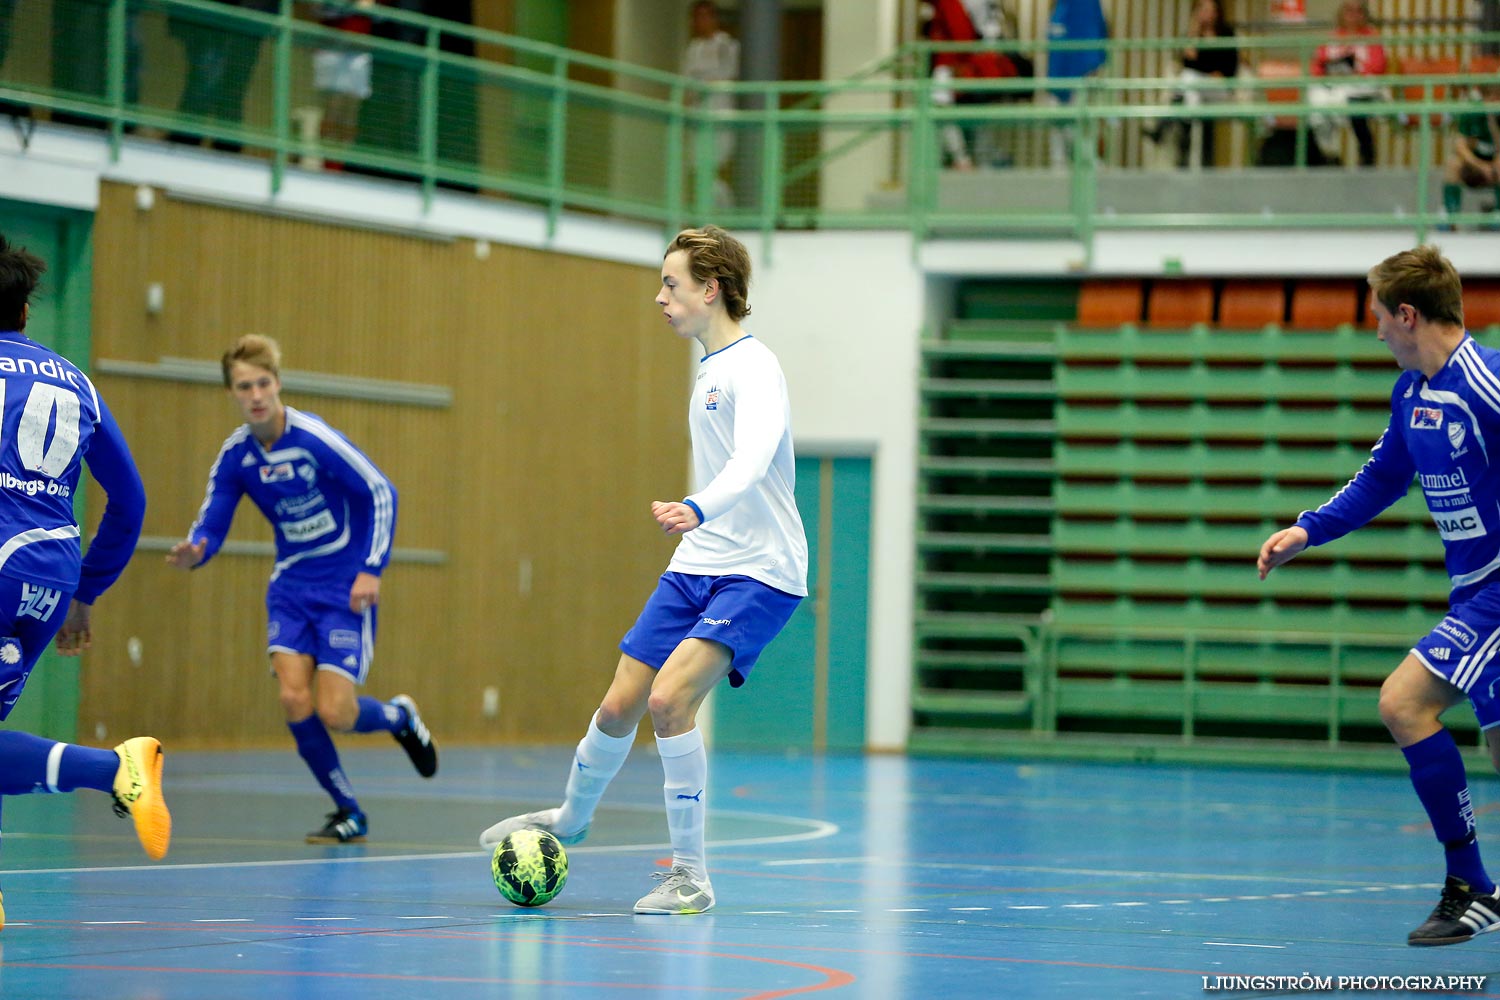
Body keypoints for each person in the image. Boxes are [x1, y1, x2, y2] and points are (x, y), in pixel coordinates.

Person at [477, 225, 808, 915]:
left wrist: (697, 506)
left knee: (668, 702)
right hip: (700, 562)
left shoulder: (754, 367)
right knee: (619, 703)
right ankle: (572, 817)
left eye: (670, 282)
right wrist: (700, 523)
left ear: (710, 288)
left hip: (760, 570)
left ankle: (692, 875)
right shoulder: (710, 366)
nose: (659, 297)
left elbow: (750, 463)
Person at [1259, 245, 1500, 947]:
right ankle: (1475, 887)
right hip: (1474, 595)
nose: (1376, 335)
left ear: (1407, 313)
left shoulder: (1484, 381)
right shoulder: (1414, 396)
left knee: (1402, 702)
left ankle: (1471, 885)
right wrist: (1307, 530)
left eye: (1379, 320)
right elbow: (1381, 479)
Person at [166, 334, 436, 844]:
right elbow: (214, 519)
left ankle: (401, 717)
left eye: (263, 383)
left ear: (278, 383)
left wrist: (371, 567)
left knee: (337, 712)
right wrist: (197, 550)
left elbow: (380, 491)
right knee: (294, 699)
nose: (256, 395)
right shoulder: (237, 457)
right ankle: (348, 810)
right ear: (232, 393)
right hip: (290, 587)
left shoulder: (314, 439)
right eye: (244, 386)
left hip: (343, 587)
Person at [0, 233, 168, 930]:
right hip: (49, 570)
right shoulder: (77, 383)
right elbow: (129, 502)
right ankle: (116, 770)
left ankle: (115, 769)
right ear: (26, 311)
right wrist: (85, 593)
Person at [167, 0, 277, 153]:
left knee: (231, 88)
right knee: (206, 82)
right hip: (213, 17)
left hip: (249, 20)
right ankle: (186, 143)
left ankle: (223, 146)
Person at [1149, 0, 1239, 169]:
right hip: (1197, 87)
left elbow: (1228, 67)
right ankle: (1190, 125)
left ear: (1217, 12)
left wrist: (1202, 63)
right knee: (1190, 83)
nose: (1206, 13)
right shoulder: (1193, 35)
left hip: (1221, 88)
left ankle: (1166, 125)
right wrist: (1193, 34)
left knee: (1188, 83)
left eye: (1209, 9)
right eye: (1202, 9)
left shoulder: (1226, 34)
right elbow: (1188, 66)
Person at [1310, 0, 1387, 167]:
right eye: (1349, 11)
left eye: (1358, 11)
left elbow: (1378, 66)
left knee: (1355, 106)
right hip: (1334, 85)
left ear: (1364, 15)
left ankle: (1367, 156)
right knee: (1316, 99)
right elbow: (1317, 66)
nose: (1353, 16)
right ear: (1341, 14)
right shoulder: (1331, 38)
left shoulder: (1372, 37)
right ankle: (1327, 152)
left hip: (1362, 88)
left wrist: (1355, 66)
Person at [681, 2, 740, 208]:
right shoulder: (693, 49)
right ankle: (705, 212)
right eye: (697, 17)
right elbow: (687, 85)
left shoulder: (726, 44)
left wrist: (706, 85)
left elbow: (728, 77)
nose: (701, 22)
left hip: (720, 115)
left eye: (705, 17)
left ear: (714, 18)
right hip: (699, 118)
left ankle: (725, 211)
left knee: (717, 166)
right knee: (698, 168)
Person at [310, 0, 379, 167]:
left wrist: (371, 8)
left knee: (350, 114)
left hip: (358, 55)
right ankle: (319, 162)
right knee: (332, 108)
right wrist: (351, 5)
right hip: (332, 51)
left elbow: (382, 17)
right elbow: (318, 9)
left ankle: (338, 165)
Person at [1440, 79, 1500, 230]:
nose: (1492, 100)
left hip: (1495, 166)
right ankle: (1450, 216)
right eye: (1489, 96)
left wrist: (1492, 121)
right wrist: (1480, 165)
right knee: (1453, 164)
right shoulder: (1471, 112)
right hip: (1474, 166)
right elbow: (1460, 146)